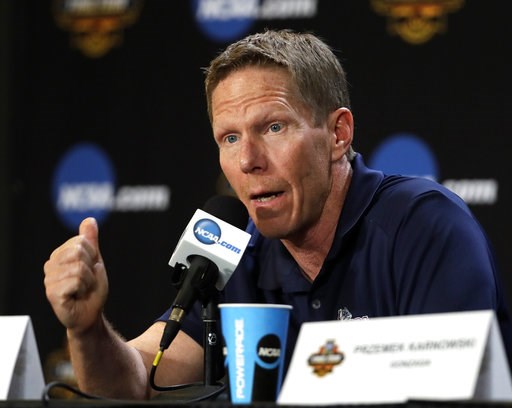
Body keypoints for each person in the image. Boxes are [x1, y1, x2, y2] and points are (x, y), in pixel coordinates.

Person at [44, 28, 512, 400]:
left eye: (273, 126)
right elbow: (135, 383)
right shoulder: (235, 254)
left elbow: (454, 390)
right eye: (229, 138)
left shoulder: (424, 226)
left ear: (338, 134)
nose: (247, 160)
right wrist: (86, 331)